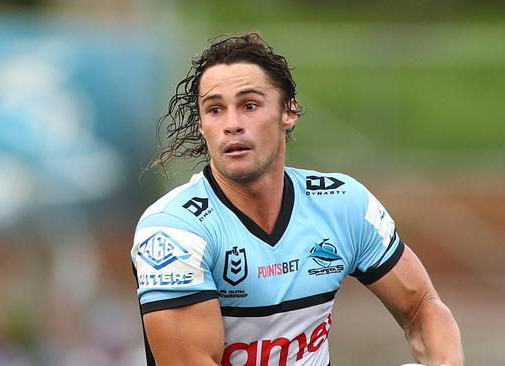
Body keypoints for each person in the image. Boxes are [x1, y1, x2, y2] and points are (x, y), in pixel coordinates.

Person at [131, 32, 463, 366]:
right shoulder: (174, 231)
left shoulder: (342, 203)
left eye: (249, 105)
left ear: (288, 111)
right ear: (202, 126)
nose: (232, 125)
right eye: (215, 110)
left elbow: (422, 307)